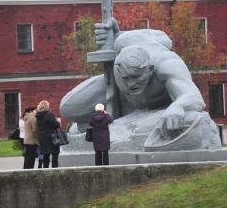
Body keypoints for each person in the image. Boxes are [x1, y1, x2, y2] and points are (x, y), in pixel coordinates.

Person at [60, 18, 206, 141]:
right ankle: (90, 125)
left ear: (150, 69)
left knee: (190, 116)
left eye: (136, 77)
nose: (131, 83)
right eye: (126, 78)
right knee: (68, 108)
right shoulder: (122, 45)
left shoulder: (167, 64)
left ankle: (95, 126)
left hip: (155, 106)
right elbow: (116, 38)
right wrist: (113, 35)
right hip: (124, 101)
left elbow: (193, 96)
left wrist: (177, 107)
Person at [36, 100, 61, 168]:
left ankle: (45, 169)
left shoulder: (37, 116)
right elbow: (56, 125)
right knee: (55, 153)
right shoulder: (49, 114)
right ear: (47, 106)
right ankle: (54, 170)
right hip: (51, 138)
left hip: (42, 137)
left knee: (45, 155)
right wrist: (58, 121)